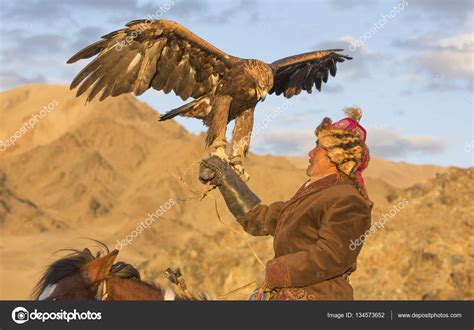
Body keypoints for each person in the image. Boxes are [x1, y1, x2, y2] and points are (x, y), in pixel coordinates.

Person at [199, 107, 373, 300]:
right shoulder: (313, 195)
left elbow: (331, 257)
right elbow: (260, 219)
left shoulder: (348, 200)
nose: (310, 153)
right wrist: (226, 179)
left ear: (335, 155)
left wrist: (275, 272)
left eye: (317, 147)